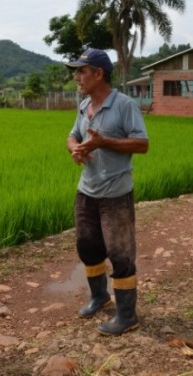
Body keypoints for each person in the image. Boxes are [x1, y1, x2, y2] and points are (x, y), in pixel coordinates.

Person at [66, 48, 149, 336]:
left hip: (115, 192)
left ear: (99, 74)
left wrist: (104, 142)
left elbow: (142, 144)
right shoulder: (83, 106)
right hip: (86, 190)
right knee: (88, 246)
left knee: (120, 253)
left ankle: (127, 315)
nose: (77, 77)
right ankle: (99, 296)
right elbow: (73, 135)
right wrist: (74, 148)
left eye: (82, 71)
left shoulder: (125, 105)